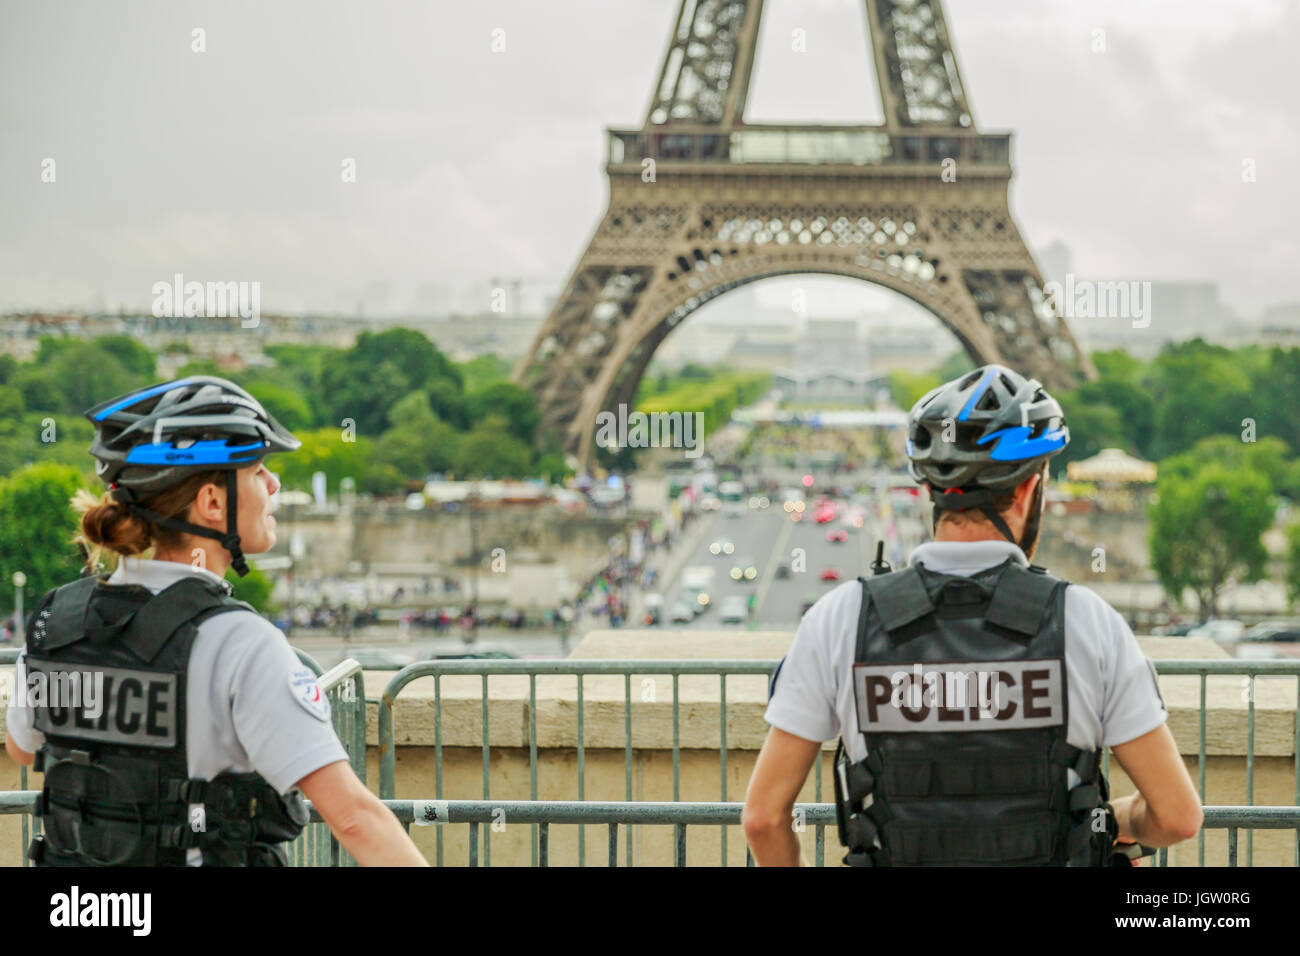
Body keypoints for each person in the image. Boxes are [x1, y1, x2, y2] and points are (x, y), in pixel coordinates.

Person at [743, 364, 1202, 866]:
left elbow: (764, 818)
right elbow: (1177, 816)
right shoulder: (1086, 621)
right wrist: (1120, 823)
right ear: (1030, 490)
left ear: (931, 492)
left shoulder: (841, 618)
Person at [4, 376, 426, 867]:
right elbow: (354, 818)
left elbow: (21, 747)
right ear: (211, 502)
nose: (274, 485)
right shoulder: (240, 643)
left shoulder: (57, 618)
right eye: (258, 470)